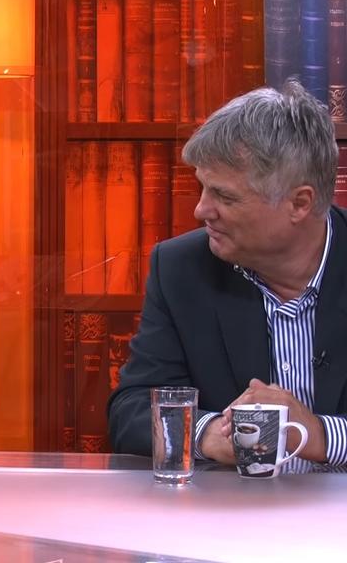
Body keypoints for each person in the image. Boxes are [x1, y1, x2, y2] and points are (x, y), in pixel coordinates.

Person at [108, 79, 347, 466]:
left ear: (300, 203)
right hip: (230, 504)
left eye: (224, 196)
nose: (201, 210)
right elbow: (131, 411)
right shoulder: (181, 268)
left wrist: (319, 435)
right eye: (203, 188)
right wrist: (208, 435)